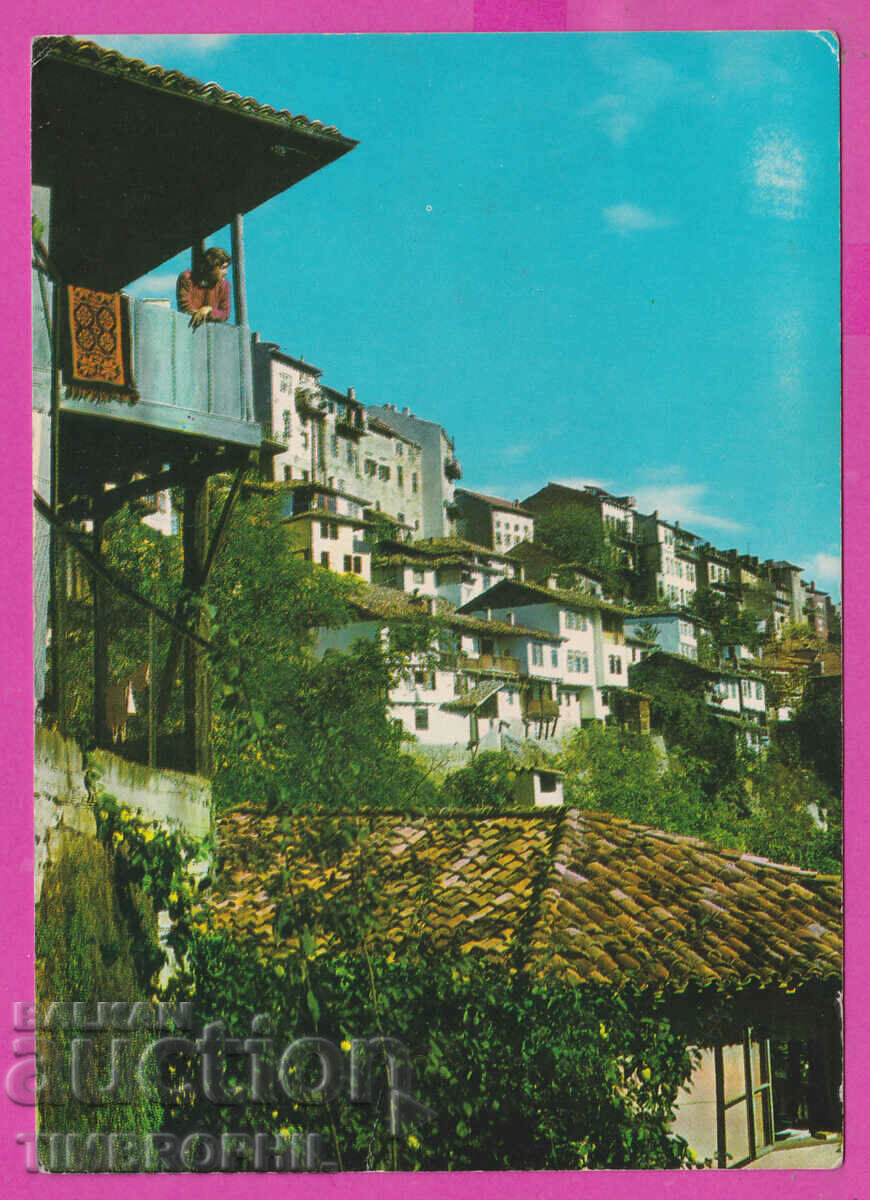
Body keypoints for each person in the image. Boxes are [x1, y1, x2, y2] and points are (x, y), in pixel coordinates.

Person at [176, 247, 232, 328]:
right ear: (211, 267)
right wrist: (201, 312)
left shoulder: (224, 285)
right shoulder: (187, 278)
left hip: (211, 333)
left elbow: (225, 313)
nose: (226, 272)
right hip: (188, 328)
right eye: (223, 268)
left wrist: (209, 310)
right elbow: (185, 308)